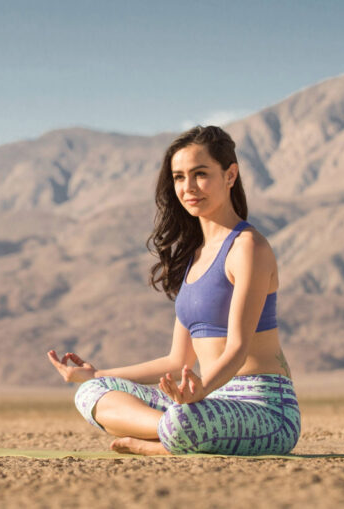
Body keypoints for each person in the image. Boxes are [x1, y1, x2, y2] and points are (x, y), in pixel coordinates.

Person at [47, 125, 300, 456]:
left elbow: (237, 349)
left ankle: (161, 441)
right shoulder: (193, 258)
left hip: (265, 408)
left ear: (230, 175)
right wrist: (95, 373)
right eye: (179, 177)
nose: (188, 187)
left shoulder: (248, 247)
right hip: (206, 402)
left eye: (200, 174)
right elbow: (176, 360)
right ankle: (169, 432)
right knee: (90, 392)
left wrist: (201, 391)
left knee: (184, 420)